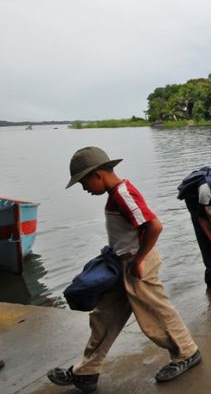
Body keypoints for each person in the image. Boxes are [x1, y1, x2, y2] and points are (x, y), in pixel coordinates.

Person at [49, 146, 200, 392]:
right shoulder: (115, 194)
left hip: (137, 263)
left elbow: (154, 226)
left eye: (84, 182)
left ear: (97, 174)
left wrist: (139, 260)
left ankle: (187, 352)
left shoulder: (122, 193)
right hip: (122, 263)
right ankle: (86, 372)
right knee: (104, 316)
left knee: (155, 311)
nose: (85, 189)